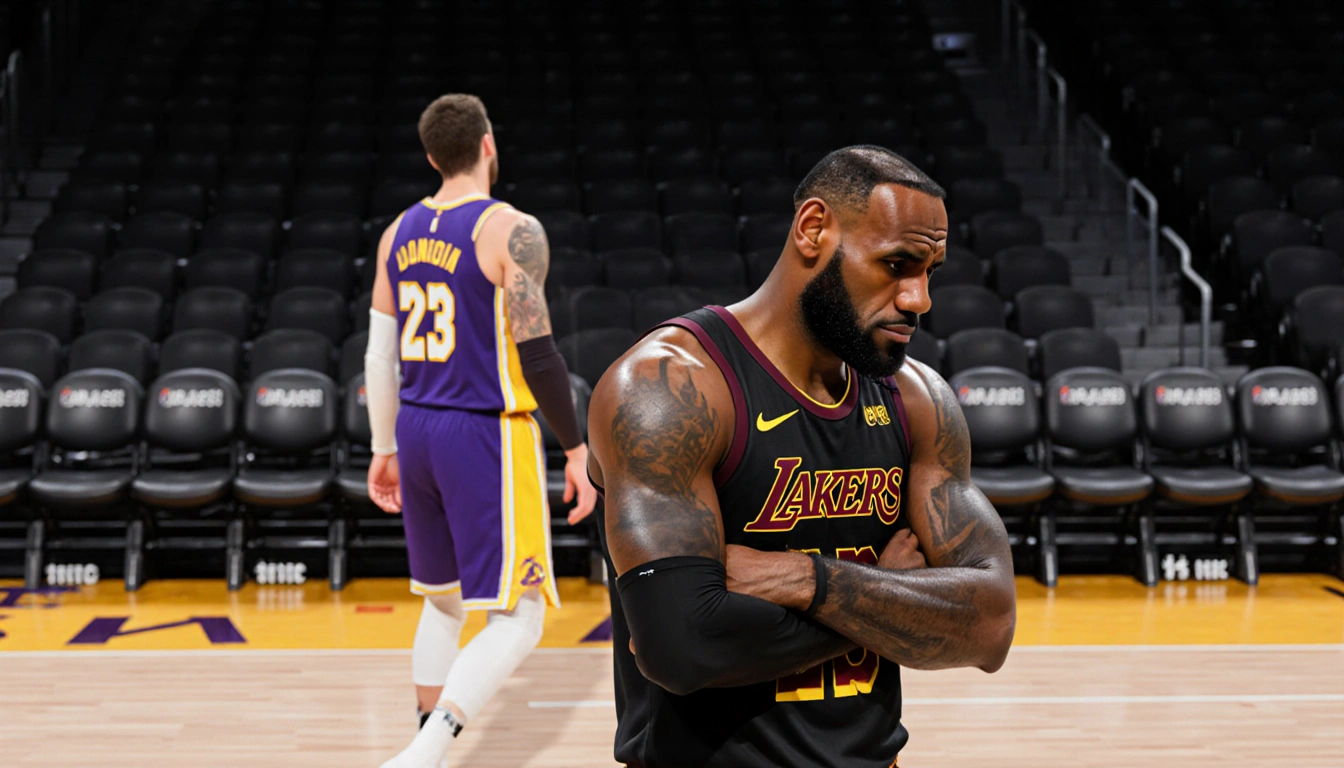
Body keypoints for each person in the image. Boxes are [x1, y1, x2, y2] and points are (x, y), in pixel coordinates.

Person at [588, 146, 1017, 768]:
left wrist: (805, 580)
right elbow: (683, 649)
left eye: (930, 271)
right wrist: (890, 594)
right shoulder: (670, 389)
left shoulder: (918, 399)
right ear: (814, 229)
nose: (919, 298)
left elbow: (991, 626)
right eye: (897, 264)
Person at [363, 93, 598, 768]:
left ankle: (423, 745)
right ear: (488, 145)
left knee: (442, 605)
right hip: (483, 433)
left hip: (415, 426)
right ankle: (426, 752)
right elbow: (539, 354)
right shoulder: (510, 230)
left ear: (432, 156)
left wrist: (383, 448)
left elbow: (378, 356)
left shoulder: (396, 232)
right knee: (520, 615)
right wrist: (575, 448)